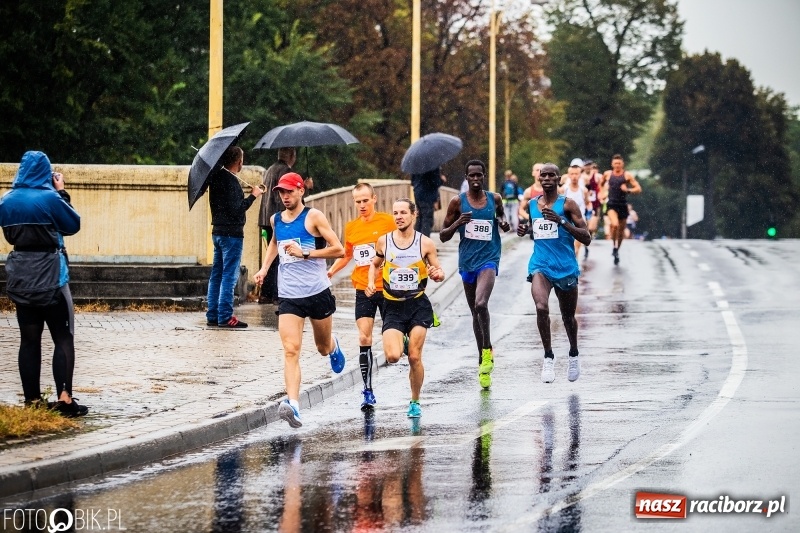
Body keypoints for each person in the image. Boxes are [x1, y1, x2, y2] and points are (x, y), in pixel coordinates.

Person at [253, 172, 347, 428]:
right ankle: (293, 404)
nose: (285, 196)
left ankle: (333, 345)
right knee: (291, 349)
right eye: (281, 192)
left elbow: (339, 249)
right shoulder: (276, 220)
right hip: (289, 295)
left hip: (317, 292)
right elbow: (275, 243)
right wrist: (264, 269)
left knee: (322, 347)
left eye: (289, 191)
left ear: (301, 191)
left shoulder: (313, 217)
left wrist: (306, 253)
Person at [0, 151, 87, 416]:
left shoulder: (7, 201)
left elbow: (8, 232)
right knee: (63, 338)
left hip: (22, 277)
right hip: (52, 278)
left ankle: (32, 401)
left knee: (29, 340)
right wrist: (61, 192)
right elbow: (73, 224)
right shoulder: (50, 198)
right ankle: (64, 399)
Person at [365, 198, 445, 418]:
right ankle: (404, 338)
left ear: (413, 215)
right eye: (395, 213)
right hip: (392, 306)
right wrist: (372, 283)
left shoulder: (425, 243)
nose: (398, 216)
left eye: (403, 212)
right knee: (392, 356)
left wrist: (437, 274)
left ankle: (415, 401)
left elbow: (438, 271)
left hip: (417, 305)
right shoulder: (384, 242)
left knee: (414, 357)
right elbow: (374, 265)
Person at [516, 163, 591, 383]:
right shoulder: (532, 205)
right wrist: (524, 230)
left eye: (551, 175)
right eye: (543, 175)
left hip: (566, 267)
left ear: (559, 179)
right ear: (539, 178)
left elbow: (586, 237)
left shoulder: (568, 205)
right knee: (541, 307)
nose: (547, 178)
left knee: (568, 317)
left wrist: (561, 221)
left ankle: (574, 353)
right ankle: (548, 356)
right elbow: (534, 228)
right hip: (541, 264)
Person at [440, 160, 511, 389]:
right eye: (472, 176)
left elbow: (500, 216)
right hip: (467, 262)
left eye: (479, 175)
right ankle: (482, 360)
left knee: (481, 304)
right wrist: (458, 223)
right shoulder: (457, 203)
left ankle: (488, 350)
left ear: (484, 176)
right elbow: (443, 235)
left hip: (489, 258)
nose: (476, 179)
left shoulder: (494, 198)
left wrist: (503, 222)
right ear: (466, 177)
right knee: (474, 312)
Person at [327, 183, 396, 411]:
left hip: (387, 288)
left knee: (392, 348)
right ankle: (367, 390)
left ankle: (401, 338)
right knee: (364, 337)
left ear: (374, 199)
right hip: (362, 289)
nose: (362, 205)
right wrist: (330, 272)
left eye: (366, 200)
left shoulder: (388, 221)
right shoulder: (352, 227)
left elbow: (403, 244)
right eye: (358, 201)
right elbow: (346, 256)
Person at [206, 146, 263, 328]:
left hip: (218, 233)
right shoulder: (231, 182)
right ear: (239, 162)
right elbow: (237, 210)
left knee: (217, 275)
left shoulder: (215, 178)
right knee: (229, 277)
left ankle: (212, 314)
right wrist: (253, 196)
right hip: (232, 235)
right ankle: (225, 316)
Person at [257, 147, 296, 304]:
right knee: (282, 257)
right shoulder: (285, 171)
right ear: (292, 156)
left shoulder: (270, 169)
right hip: (279, 220)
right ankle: (276, 294)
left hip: (266, 219)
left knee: (271, 257)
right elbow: (286, 198)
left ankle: (265, 294)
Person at [600, 154, 641, 264]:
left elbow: (638, 189)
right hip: (611, 204)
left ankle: (617, 250)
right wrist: (603, 193)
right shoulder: (607, 174)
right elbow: (601, 184)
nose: (617, 165)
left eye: (619, 163)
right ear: (612, 164)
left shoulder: (627, 175)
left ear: (622, 164)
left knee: (621, 231)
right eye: (615, 163)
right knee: (615, 225)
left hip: (622, 205)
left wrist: (627, 190)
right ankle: (614, 246)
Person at [560, 160, 591, 258]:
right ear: (568, 175)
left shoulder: (584, 191)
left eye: (576, 174)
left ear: (580, 175)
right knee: (566, 247)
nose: (574, 176)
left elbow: (587, 204)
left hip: (579, 222)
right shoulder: (564, 190)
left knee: (576, 248)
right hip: (566, 221)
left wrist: (589, 216)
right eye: (572, 174)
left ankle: (574, 267)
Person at [410, 167, 445, 237]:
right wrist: (442, 180)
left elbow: (412, 182)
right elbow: (435, 182)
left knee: (420, 218)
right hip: (428, 195)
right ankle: (424, 242)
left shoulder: (416, 165)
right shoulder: (433, 166)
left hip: (417, 193)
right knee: (427, 219)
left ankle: (416, 240)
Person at [582, 160, 603, 255]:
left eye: (589, 165)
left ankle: (587, 239)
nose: (588, 167)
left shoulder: (598, 176)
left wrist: (602, 194)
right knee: (584, 225)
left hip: (595, 203)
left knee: (591, 227)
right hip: (584, 204)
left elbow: (604, 186)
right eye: (586, 165)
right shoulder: (581, 177)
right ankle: (585, 244)